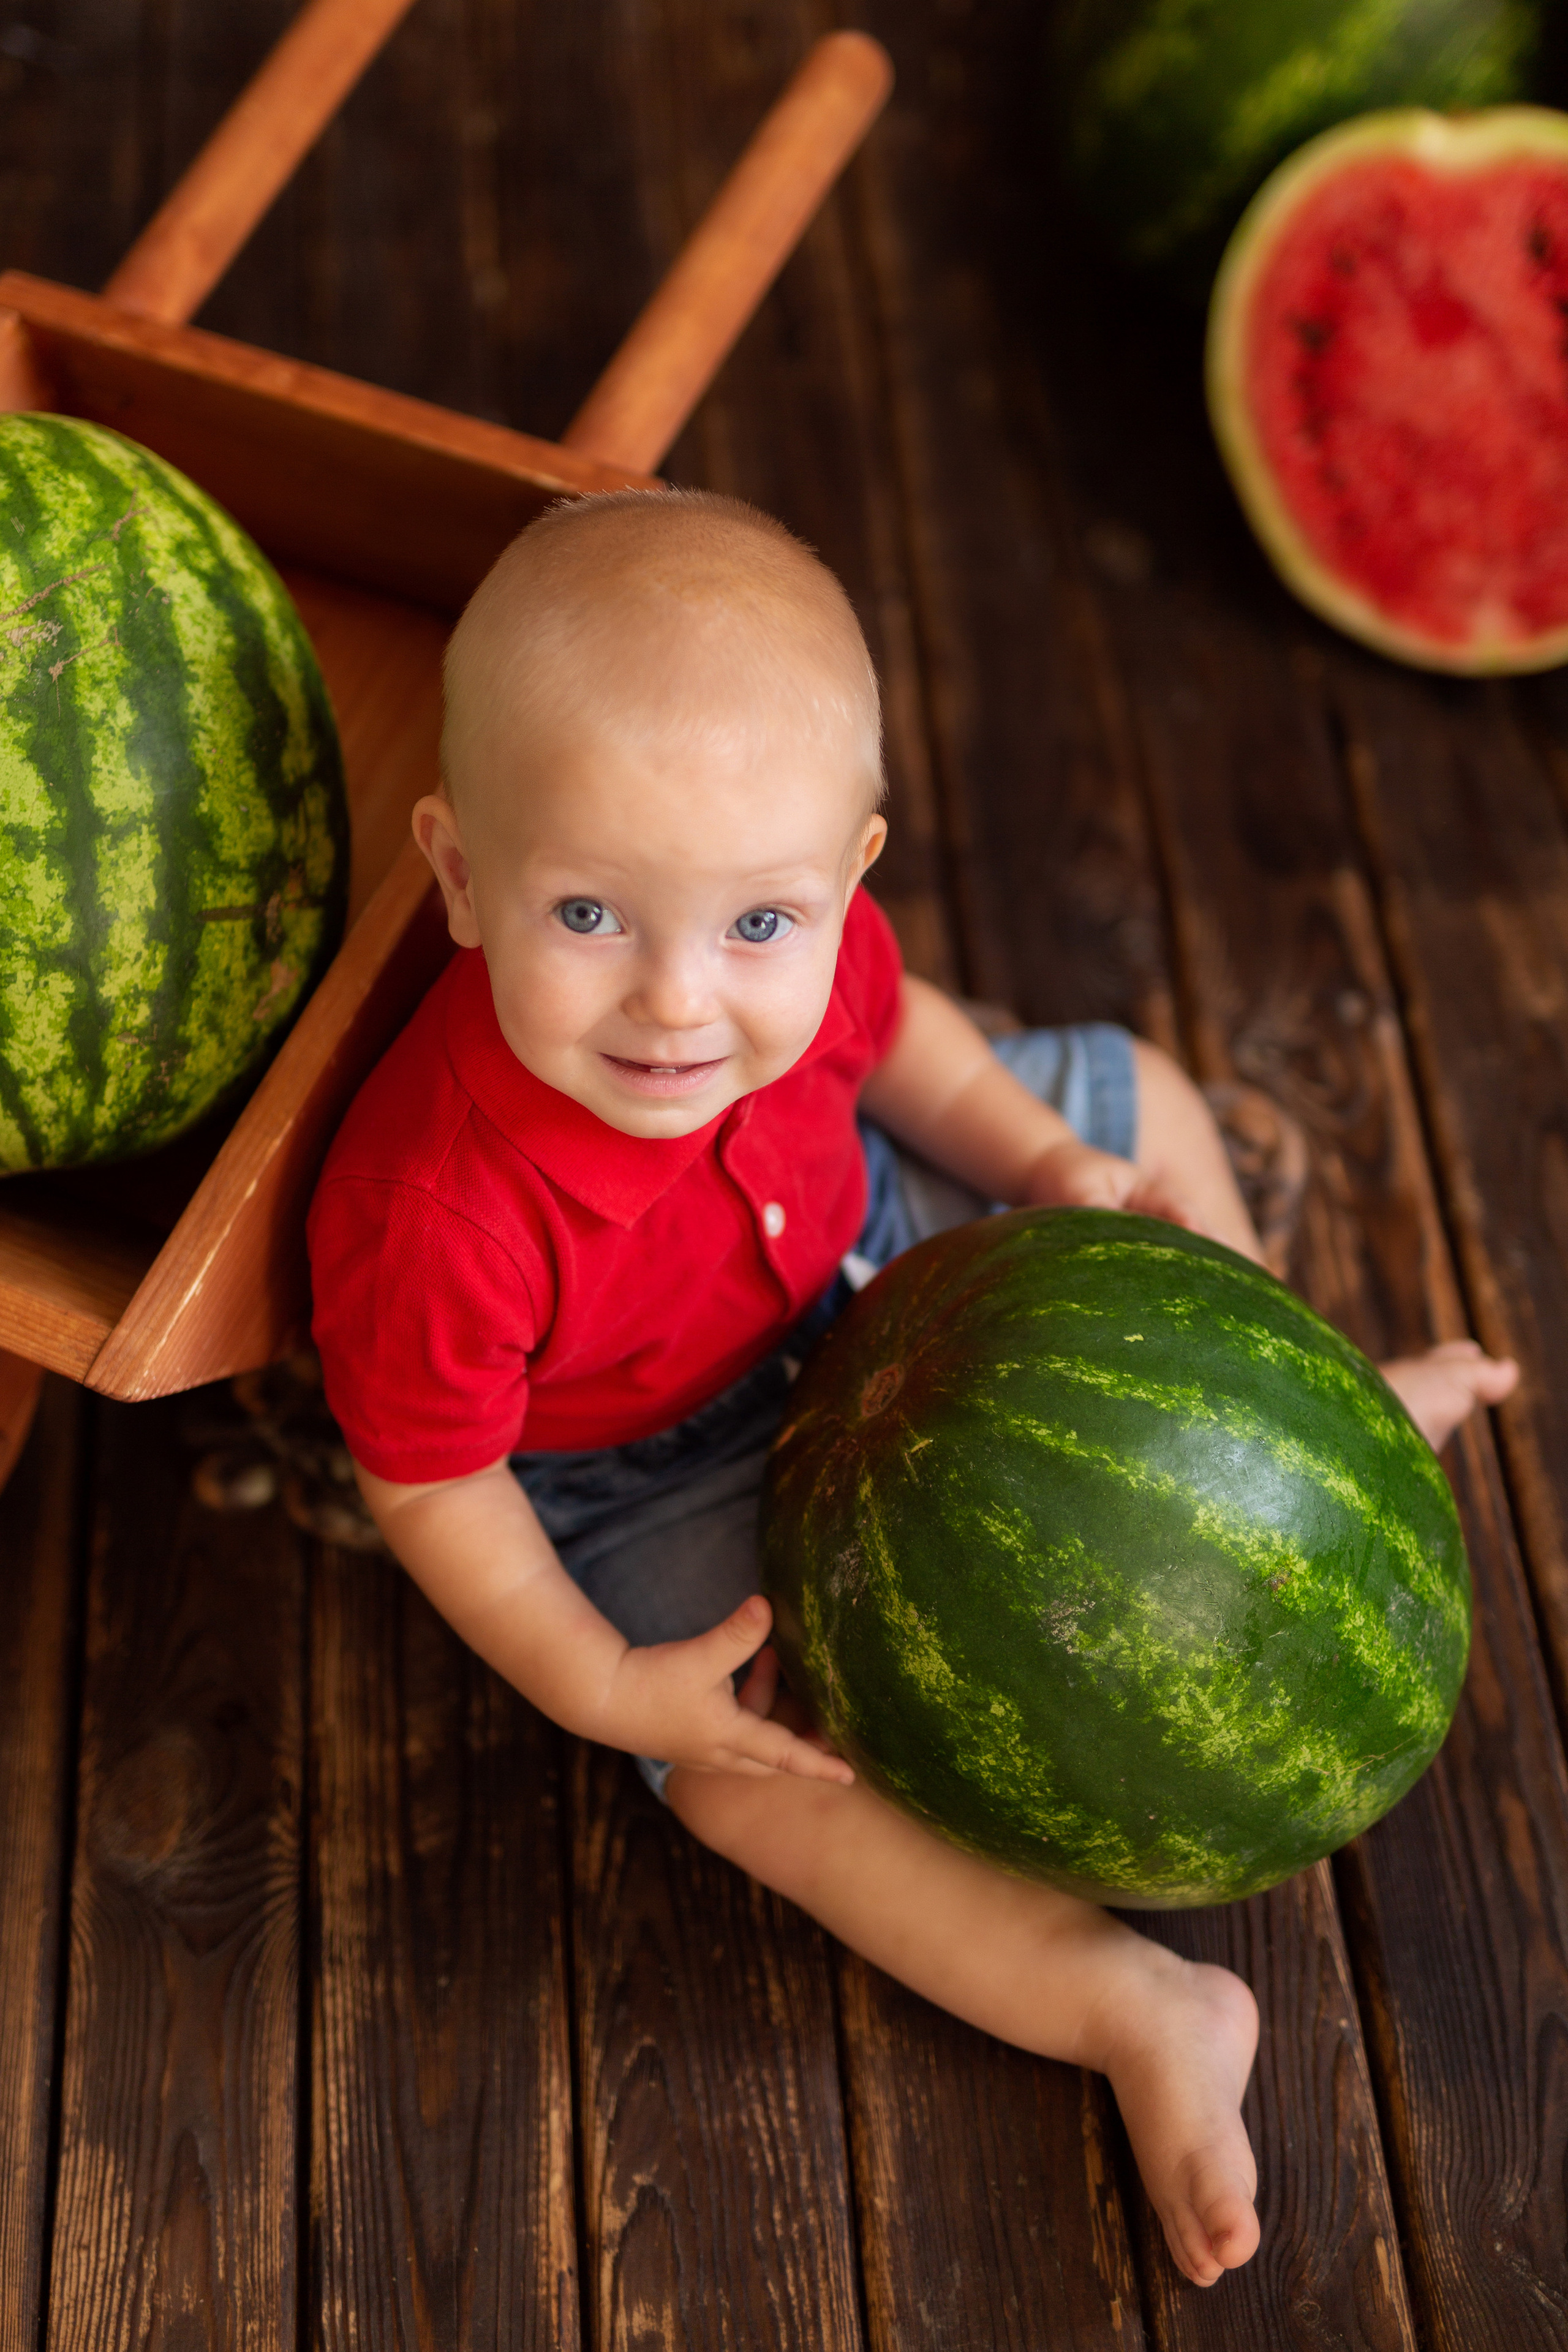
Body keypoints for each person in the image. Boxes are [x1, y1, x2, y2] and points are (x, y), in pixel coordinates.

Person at [307, 488, 1517, 2288]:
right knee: (745, 1781)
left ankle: (1290, 1431)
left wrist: (1042, 1162)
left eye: (758, 928)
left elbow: (918, 1048)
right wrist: (605, 1682)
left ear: (847, 873)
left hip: (884, 1249)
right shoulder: (431, 1214)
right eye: (587, 911)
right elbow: (434, 1486)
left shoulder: (811, 959)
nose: (676, 1004)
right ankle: (1127, 2005)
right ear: (461, 869)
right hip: (645, 1465)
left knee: (1141, 1097)